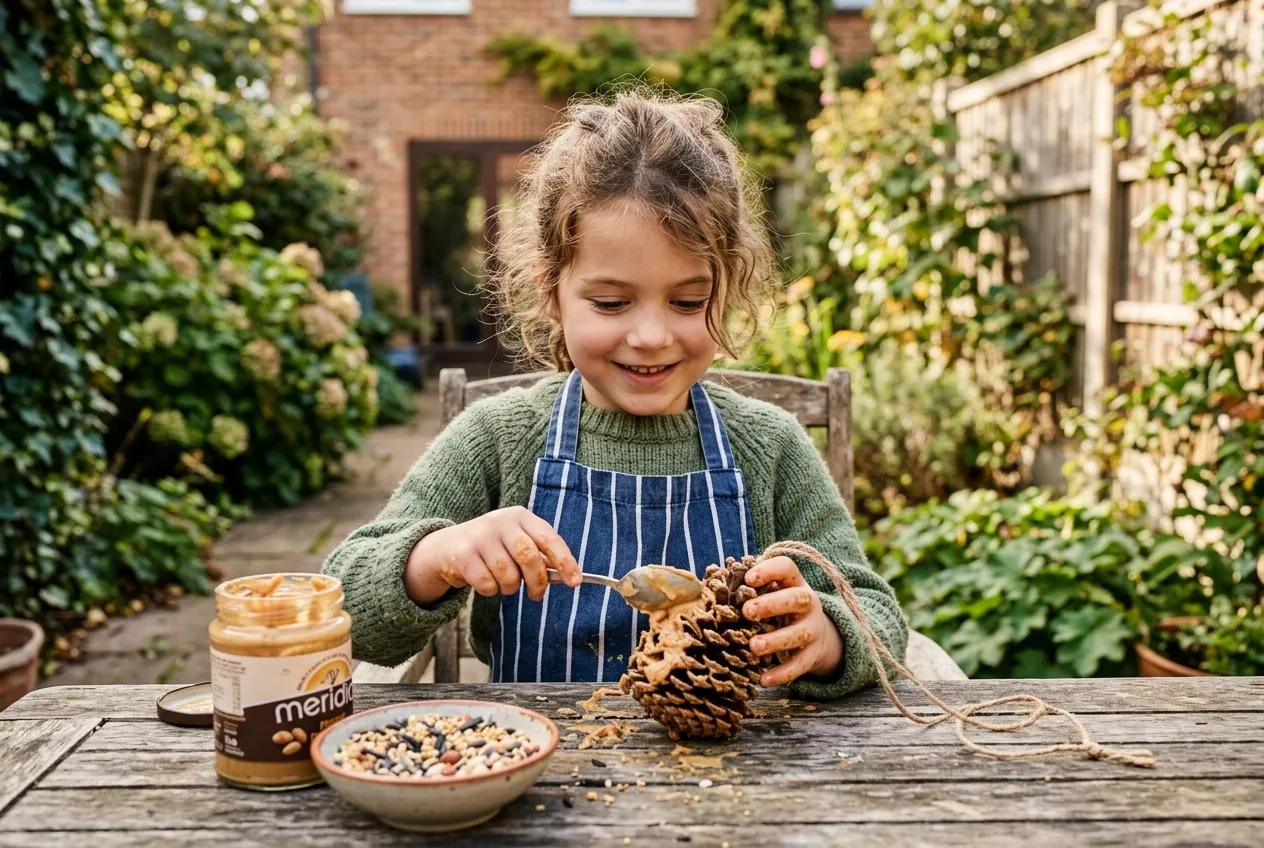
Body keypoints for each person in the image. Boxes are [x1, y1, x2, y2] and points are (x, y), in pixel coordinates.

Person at [322, 89, 907, 697]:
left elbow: (875, 614)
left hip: (734, 778)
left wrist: (826, 635)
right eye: (610, 303)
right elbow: (345, 607)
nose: (651, 336)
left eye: (688, 302)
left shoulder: (769, 448)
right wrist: (437, 556)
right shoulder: (498, 439)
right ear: (552, 292)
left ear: (728, 289)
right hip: (542, 771)